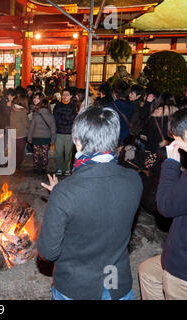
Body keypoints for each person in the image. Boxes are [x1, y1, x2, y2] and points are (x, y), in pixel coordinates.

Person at [37, 106, 143, 300]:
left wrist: (59, 199)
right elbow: (103, 204)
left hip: (75, 288)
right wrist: (63, 198)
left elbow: (48, 252)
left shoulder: (67, 192)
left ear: (77, 142)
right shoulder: (134, 180)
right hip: (117, 284)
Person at [138, 108, 187, 300]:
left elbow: (166, 206)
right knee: (148, 272)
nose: (175, 143)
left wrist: (172, 163)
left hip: (182, 267)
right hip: (177, 252)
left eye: (178, 139)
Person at [27, 95, 56, 174]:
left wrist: (29, 138)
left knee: (36, 154)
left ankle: (36, 168)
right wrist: (53, 140)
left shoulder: (36, 115)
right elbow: (53, 129)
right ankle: (44, 169)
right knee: (45, 154)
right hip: (46, 138)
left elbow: (31, 128)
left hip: (36, 137)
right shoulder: (51, 116)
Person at [53, 87, 77, 176]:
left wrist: (65, 120)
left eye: (67, 95)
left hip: (69, 133)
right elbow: (55, 118)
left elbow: (74, 119)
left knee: (68, 153)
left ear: (71, 96)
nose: (64, 96)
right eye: (63, 95)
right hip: (59, 132)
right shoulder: (57, 106)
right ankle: (59, 168)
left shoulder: (74, 106)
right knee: (58, 152)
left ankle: (67, 168)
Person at [106, 81, 135, 145]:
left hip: (114, 139)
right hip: (127, 140)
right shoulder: (133, 105)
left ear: (115, 93)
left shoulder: (110, 106)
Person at [9, 94, 30, 170]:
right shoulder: (22, 111)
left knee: (13, 151)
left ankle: (12, 165)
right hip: (20, 134)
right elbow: (26, 124)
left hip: (12, 132)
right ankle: (17, 166)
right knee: (20, 152)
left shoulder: (12, 108)